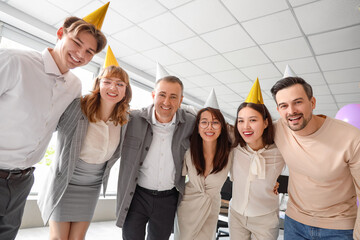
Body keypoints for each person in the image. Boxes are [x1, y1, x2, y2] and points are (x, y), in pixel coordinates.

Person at [0, 3, 108, 239]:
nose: (81, 54)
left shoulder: (74, 86)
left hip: (23, 180)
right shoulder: (14, 61)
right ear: (60, 34)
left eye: (89, 52)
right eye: (77, 43)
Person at [37, 46, 131, 239]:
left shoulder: (124, 121)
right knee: (58, 238)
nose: (113, 88)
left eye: (120, 84)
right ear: (99, 84)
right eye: (108, 82)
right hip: (65, 182)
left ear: (125, 91)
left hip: (92, 187)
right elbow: (48, 120)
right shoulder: (77, 108)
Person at [270, 76, 360, 239]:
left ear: (312, 103)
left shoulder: (351, 137)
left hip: (339, 228)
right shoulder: (278, 129)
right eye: (284, 105)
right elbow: (242, 137)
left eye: (298, 102)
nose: (291, 111)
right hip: (294, 224)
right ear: (278, 110)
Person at [115, 62, 196, 240]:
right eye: (162, 95)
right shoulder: (132, 120)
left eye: (174, 97)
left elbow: (216, 129)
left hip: (168, 198)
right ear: (153, 95)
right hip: (136, 195)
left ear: (181, 100)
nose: (167, 102)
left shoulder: (190, 123)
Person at [229, 79, 285, 240]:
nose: (245, 126)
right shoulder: (233, 147)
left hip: (265, 219)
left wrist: (275, 182)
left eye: (252, 120)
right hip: (236, 215)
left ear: (266, 122)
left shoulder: (279, 151)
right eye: (241, 120)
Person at [175, 89, 232, 240]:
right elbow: (179, 109)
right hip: (187, 206)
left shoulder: (230, 154)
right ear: (198, 126)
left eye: (215, 122)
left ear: (222, 126)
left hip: (211, 207)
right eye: (204, 122)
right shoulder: (188, 151)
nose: (209, 127)